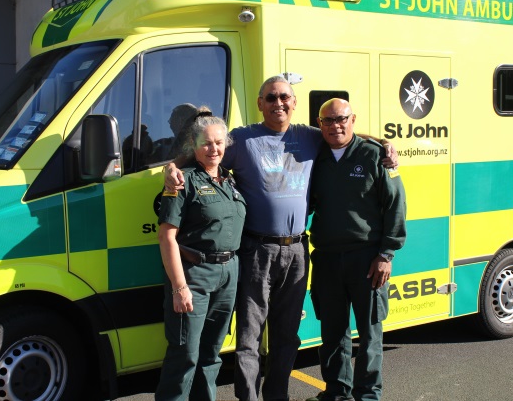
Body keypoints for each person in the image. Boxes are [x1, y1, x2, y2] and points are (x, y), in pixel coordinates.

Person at [164, 76, 398, 401]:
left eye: (284, 97)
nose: (278, 103)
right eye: (271, 98)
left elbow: (344, 133)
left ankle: (278, 396)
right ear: (260, 103)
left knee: (287, 336)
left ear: (294, 102)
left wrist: (385, 143)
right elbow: (205, 150)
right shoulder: (243, 139)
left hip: (298, 251)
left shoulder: (310, 136)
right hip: (257, 250)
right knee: (250, 337)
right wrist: (170, 168)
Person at [306, 98, 407, 401]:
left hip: (367, 259)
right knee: (332, 333)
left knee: (370, 334)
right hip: (327, 259)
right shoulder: (316, 156)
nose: (335, 125)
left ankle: (368, 396)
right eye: (328, 120)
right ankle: (337, 393)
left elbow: (395, 207)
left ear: (353, 120)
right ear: (319, 124)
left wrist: (386, 255)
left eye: (341, 119)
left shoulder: (376, 156)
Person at [155, 113, 246, 401]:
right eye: (206, 144)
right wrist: (180, 288)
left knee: (211, 355)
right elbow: (167, 237)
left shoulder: (231, 180)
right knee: (185, 356)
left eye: (219, 143)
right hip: (194, 274)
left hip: (228, 273)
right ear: (193, 146)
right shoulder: (182, 181)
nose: (214, 149)